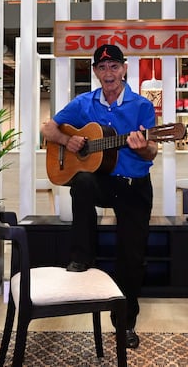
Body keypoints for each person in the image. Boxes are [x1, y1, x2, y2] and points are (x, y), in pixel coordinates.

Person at [40, 44, 158, 350]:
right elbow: (48, 128)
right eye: (103, 68)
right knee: (82, 182)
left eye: (114, 67)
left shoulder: (141, 105)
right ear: (95, 72)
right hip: (103, 181)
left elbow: (153, 149)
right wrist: (69, 140)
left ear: (124, 69)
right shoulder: (83, 103)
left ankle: (125, 325)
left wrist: (141, 146)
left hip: (134, 186)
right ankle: (82, 255)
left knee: (131, 259)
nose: (109, 74)